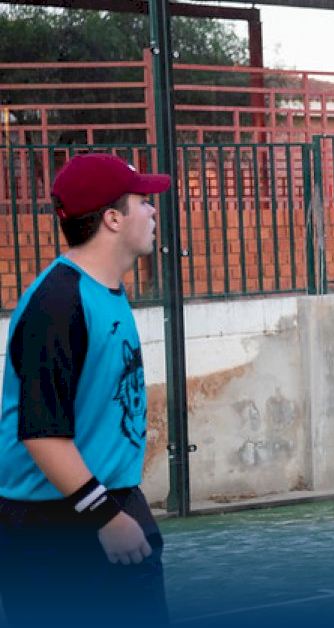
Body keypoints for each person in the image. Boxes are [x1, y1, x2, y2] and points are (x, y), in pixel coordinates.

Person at [0, 153, 170, 626]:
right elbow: (42, 434)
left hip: (102, 502)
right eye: (143, 201)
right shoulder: (58, 303)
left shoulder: (103, 290)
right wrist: (105, 517)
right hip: (54, 524)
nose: (153, 211)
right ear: (113, 219)